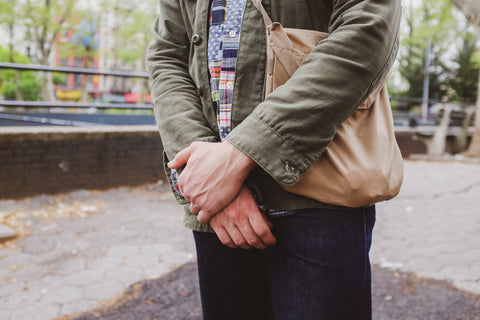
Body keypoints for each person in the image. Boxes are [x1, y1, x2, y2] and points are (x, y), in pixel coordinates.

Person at [147, 0, 401, 319]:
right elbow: (167, 56)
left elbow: (368, 31)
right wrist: (202, 170)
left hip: (318, 196)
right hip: (216, 207)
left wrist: (241, 152)